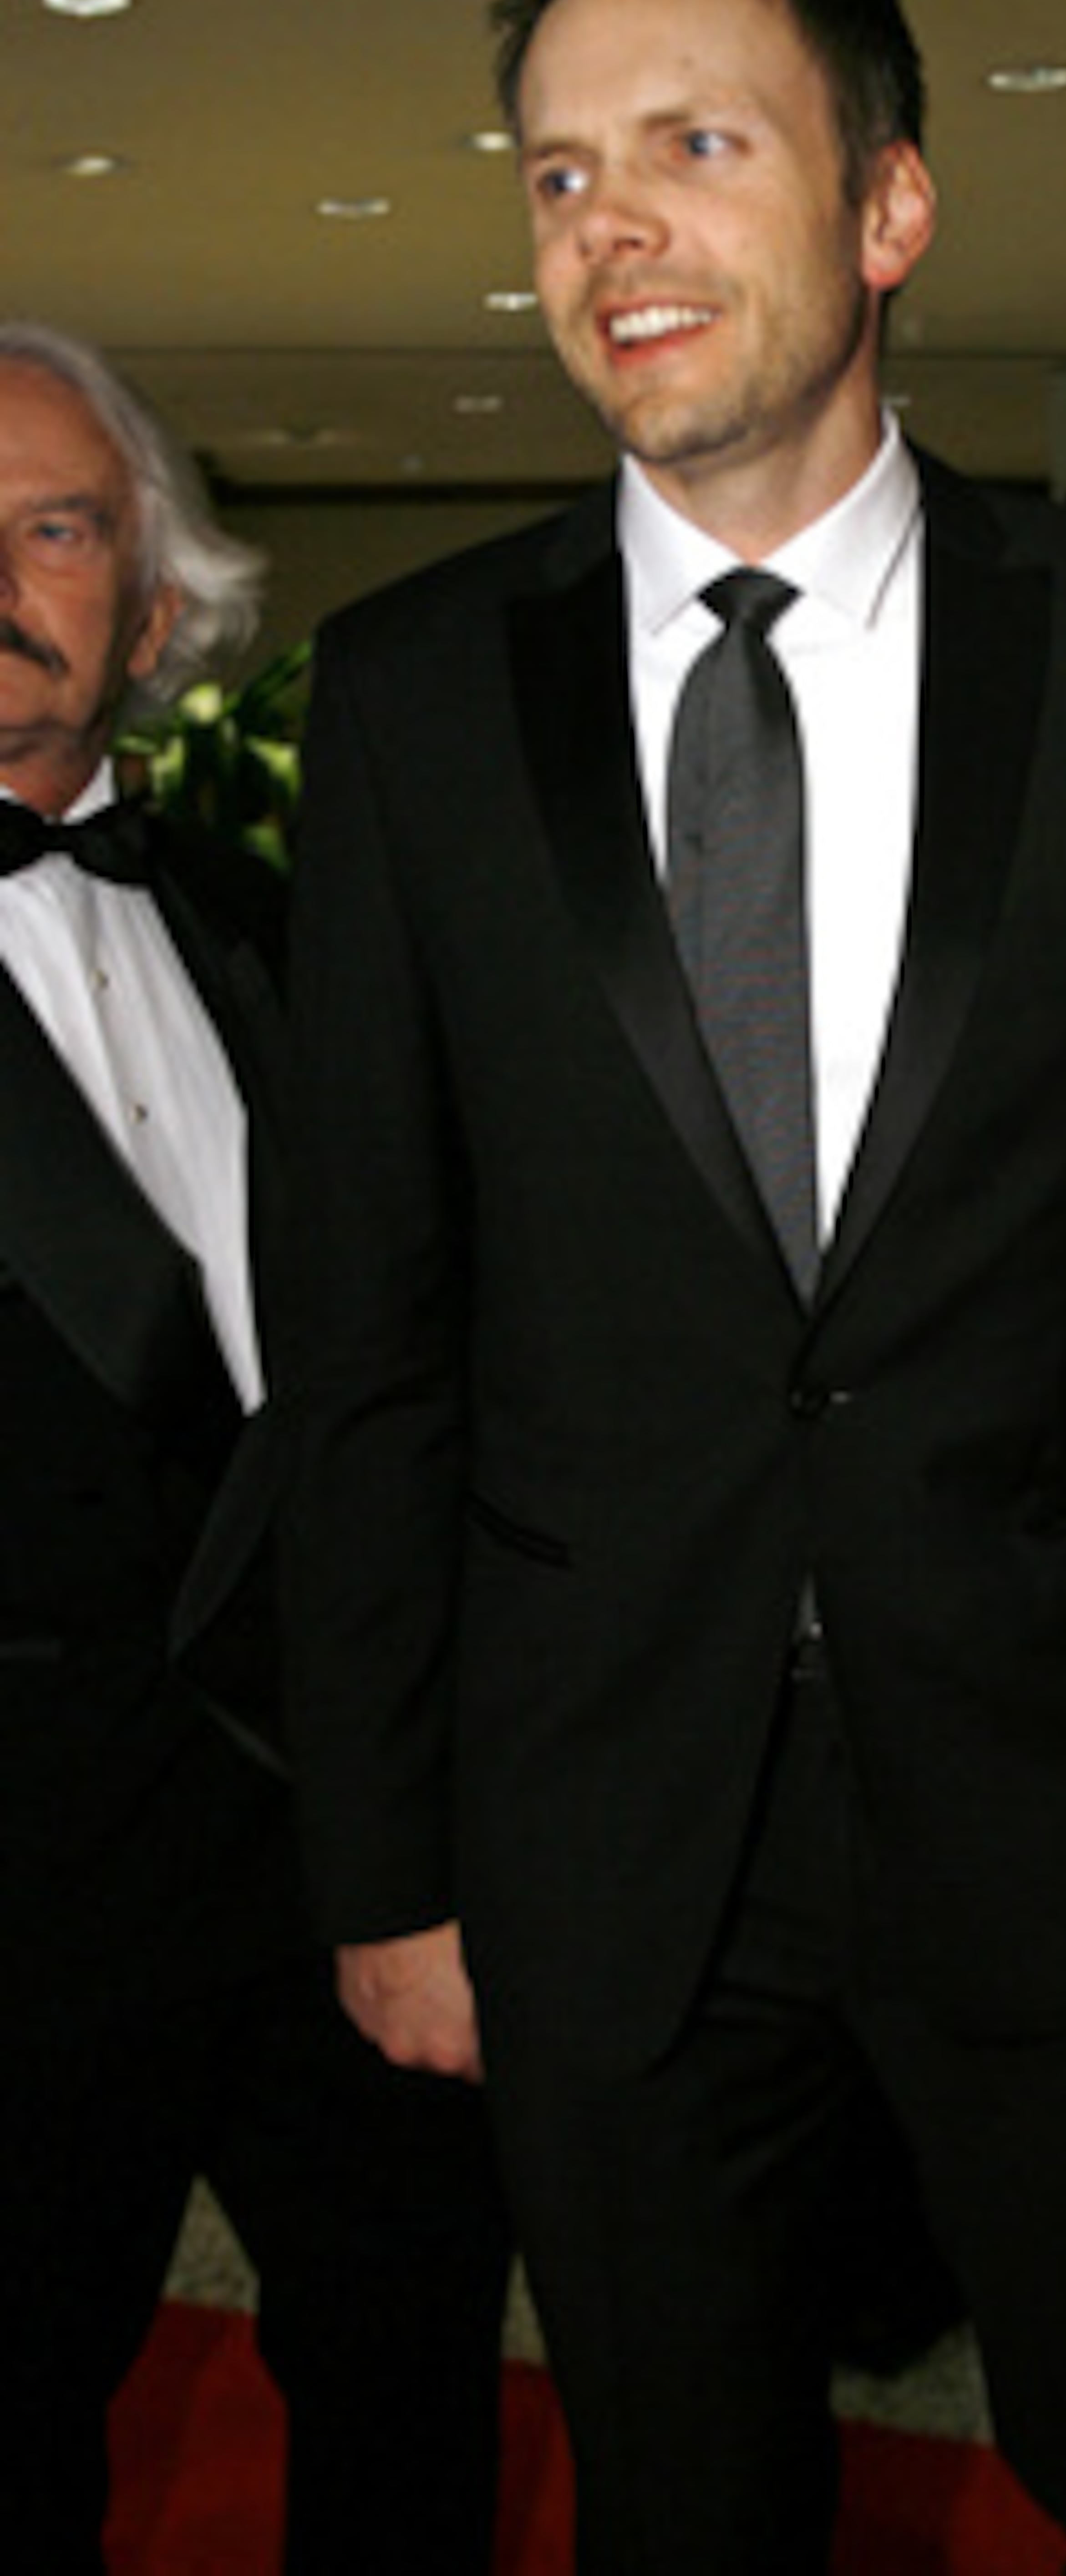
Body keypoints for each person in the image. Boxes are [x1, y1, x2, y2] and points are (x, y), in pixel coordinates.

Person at [281, 0, 1066, 2576]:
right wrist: (383, 1863)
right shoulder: (413, 702)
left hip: (1044, 1800)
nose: (614, 227)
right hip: (602, 1832)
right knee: (686, 2503)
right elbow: (363, 1323)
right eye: (560, 173)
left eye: (695, 142)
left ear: (892, 202)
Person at [0, 322, 513, 2573]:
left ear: (152, 594)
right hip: (22, 1901)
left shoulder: (257, 922)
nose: (2, 580)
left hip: (344, 1858)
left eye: (55, 523)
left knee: (410, 2378)